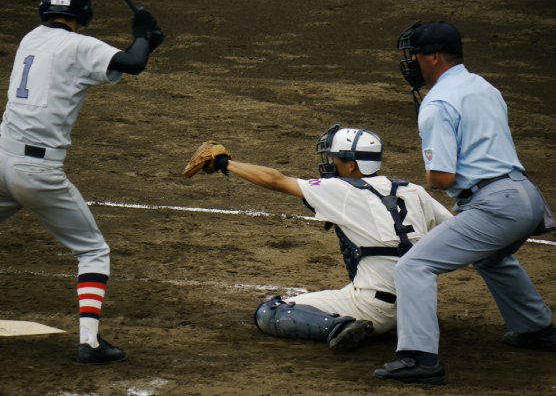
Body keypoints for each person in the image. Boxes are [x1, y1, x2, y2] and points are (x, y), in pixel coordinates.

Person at [0, 0, 164, 364]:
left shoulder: (31, 39)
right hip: (37, 172)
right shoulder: (80, 46)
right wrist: (143, 34)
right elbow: (132, 63)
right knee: (92, 250)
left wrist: (146, 41)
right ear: (85, 12)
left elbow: (121, 62)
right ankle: (89, 343)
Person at [373, 21, 555, 385]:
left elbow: (442, 178)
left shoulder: (438, 103)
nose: (412, 63)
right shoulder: (484, 87)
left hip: (496, 206)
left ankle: (419, 358)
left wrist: (428, 172)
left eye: (415, 55)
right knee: (493, 256)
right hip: (527, 198)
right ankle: (536, 328)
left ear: (434, 57)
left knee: (414, 267)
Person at [183, 125, 452, 352]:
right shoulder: (413, 190)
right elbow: (457, 233)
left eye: (335, 158)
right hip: (416, 305)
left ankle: (341, 326)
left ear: (351, 165)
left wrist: (224, 163)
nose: (330, 163)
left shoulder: (341, 189)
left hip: (374, 309)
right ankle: (411, 321)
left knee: (270, 312)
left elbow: (275, 180)